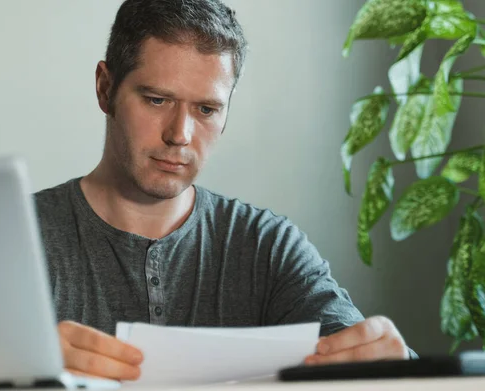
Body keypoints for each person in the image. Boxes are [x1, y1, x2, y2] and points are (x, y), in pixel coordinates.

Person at [35, 0, 413, 381]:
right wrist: (8, 373)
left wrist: (401, 369)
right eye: (157, 100)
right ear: (105, 88)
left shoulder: (268, 247)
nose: (179, 134)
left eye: (206, 110)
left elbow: (370, 368)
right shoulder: (16, 237)